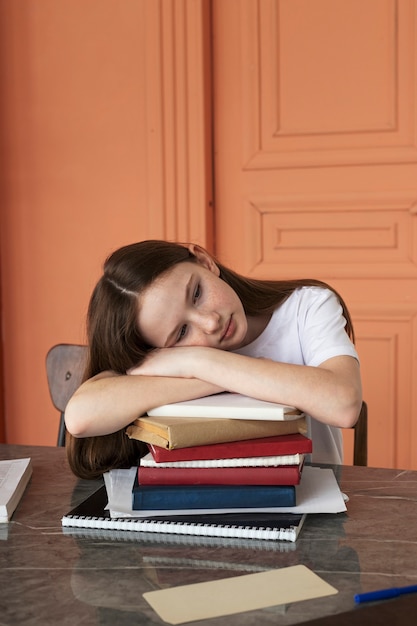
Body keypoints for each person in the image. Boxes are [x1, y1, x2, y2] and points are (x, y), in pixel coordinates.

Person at [65, 240, 362, 479]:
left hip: (310, 511)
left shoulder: (306, 307)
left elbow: (344, 404)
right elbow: (80, 418)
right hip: (199, 513)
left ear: (205, 262)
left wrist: (197, 362)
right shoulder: (161, 360)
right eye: (181, 332)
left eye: (196, 293)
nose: (210, 322)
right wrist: (205, 371)